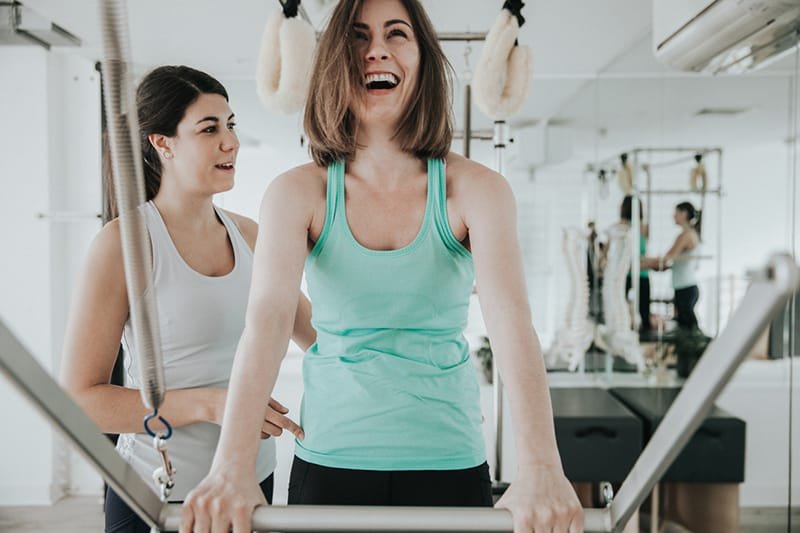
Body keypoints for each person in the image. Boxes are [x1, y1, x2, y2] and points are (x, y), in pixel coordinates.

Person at [182, 1, 583, 532]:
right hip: (330, 462)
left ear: (422, 60)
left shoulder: (479, 191)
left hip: (448, 461)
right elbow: (267, 324)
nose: (376, 49)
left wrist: (541, 469)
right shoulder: (297, 192)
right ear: (333, 62)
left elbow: (511, 324)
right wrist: (230, 468)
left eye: (397, 34)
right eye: (357, 36)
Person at [59, 65, 315, 533]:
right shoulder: (124, 245)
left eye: (231, 124)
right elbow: (82, 399)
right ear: (163, 143)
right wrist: (218, 405)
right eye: (209, 128)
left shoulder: (252, 236)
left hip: (251, 483)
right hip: (154, 494)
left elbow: (317, 337)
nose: (230, 141)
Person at [643, 201, 702, 330]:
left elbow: (667, 258)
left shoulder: (686, 235)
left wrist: (642, 263)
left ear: (684, 213)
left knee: (690, 329)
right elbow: (672, 263)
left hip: (686, 288)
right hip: (684, 287)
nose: (673, 216)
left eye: (675, 213)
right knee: (685, 325)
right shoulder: (688, 234)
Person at [620, 195, 652, 333]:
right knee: (622, 309)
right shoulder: (625, 228)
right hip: (627, 273)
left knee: (642, 311)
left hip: (639, 273)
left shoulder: (642, 228)